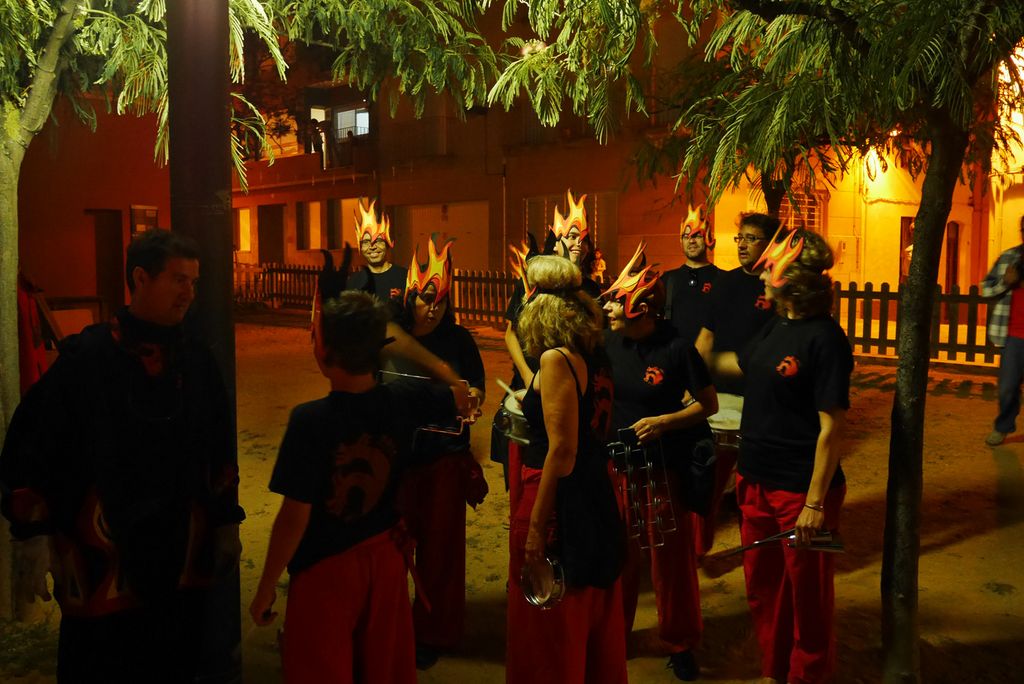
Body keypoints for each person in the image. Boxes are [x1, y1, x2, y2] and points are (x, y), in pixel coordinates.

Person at [0, 229, 244, 682]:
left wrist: (227, 520)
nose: (189, 293)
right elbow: (35, 441)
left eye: (193, 282)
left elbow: (218, 445)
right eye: (179, 280)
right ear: (140, 278)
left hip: (179, 548)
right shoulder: (87, 358)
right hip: (104, 550)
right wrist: (32, 533)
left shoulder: (196, 360)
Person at [249, 289, 473, 684]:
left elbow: (294, 516)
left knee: (321, 668)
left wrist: (267, 584)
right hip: (384, 563)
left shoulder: (310, 421)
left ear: (324, 352)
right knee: (381, 668)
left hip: (326, 570)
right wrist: (450, 375)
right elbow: (459, 396)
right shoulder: (403, 400)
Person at [714, 227, 852, 684]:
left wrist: (814, 503)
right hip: (755, 477)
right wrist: (689, 358)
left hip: (800, 489)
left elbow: (831, 429)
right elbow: (739, 365)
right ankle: (775, 671)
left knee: (808, 597)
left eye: (769, 267)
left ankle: (807, 676)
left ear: (790, 278)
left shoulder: (825, 339)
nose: (761, 274)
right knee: (764, 589)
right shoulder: (777, 324)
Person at [506, 255, 627, 684]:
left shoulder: (557, 359)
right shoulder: (592, 354)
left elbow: (562, 451)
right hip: (596, 490)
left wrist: (536, 530)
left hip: (557, 494)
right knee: (592, 617)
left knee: (550, 624)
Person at [601, 242, 718, 681]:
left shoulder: (676, 348)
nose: (608, 308)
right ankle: (614, 634)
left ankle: (680, 640)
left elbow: (707, 404)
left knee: (670, 562)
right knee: (619, 556)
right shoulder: (607, 344)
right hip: (617, 467)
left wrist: (665, 422)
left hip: (661, 470)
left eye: (617, 302)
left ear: (642, 308)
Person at [386, 235, 487, 669]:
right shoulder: (392, 336)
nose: (433, 309)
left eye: (441, 302)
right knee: (391, 548)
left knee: (441, 552)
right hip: (397, 458)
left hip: (444, 457)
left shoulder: (459, 340)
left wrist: (474, 399)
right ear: (410, 297)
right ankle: (389, 626)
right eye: (426, 300)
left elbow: (477, 385)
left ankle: (434, 630)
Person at [695, 212, 777, 395]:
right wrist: (694, 380)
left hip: (760, 391)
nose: (742, 245)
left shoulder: (776, 290)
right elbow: (706, 337)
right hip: (720, 391)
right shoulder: (723, 282)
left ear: (770, 245)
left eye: (751, 238)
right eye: (739, 238)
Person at [981, 216, 1024, 446]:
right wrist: (1005, 282)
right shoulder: (1009, 257)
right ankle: (1003, 427)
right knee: (1007, 387)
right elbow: (985, 289)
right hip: (1014, 337)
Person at [663, 204, 722, 347]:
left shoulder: (724, 279)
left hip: (710, 357)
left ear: (707, 237)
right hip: (675, 357)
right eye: (686, 236)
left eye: (697, 235)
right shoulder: (667, 280)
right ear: (681, 241)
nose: (691, 240)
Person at [347, 199, 409, 309]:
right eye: (366, 242)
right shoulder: (354, 282)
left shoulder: (405, 277)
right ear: (360, 247)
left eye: (378, 241)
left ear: (388, 244)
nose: (372, 246)